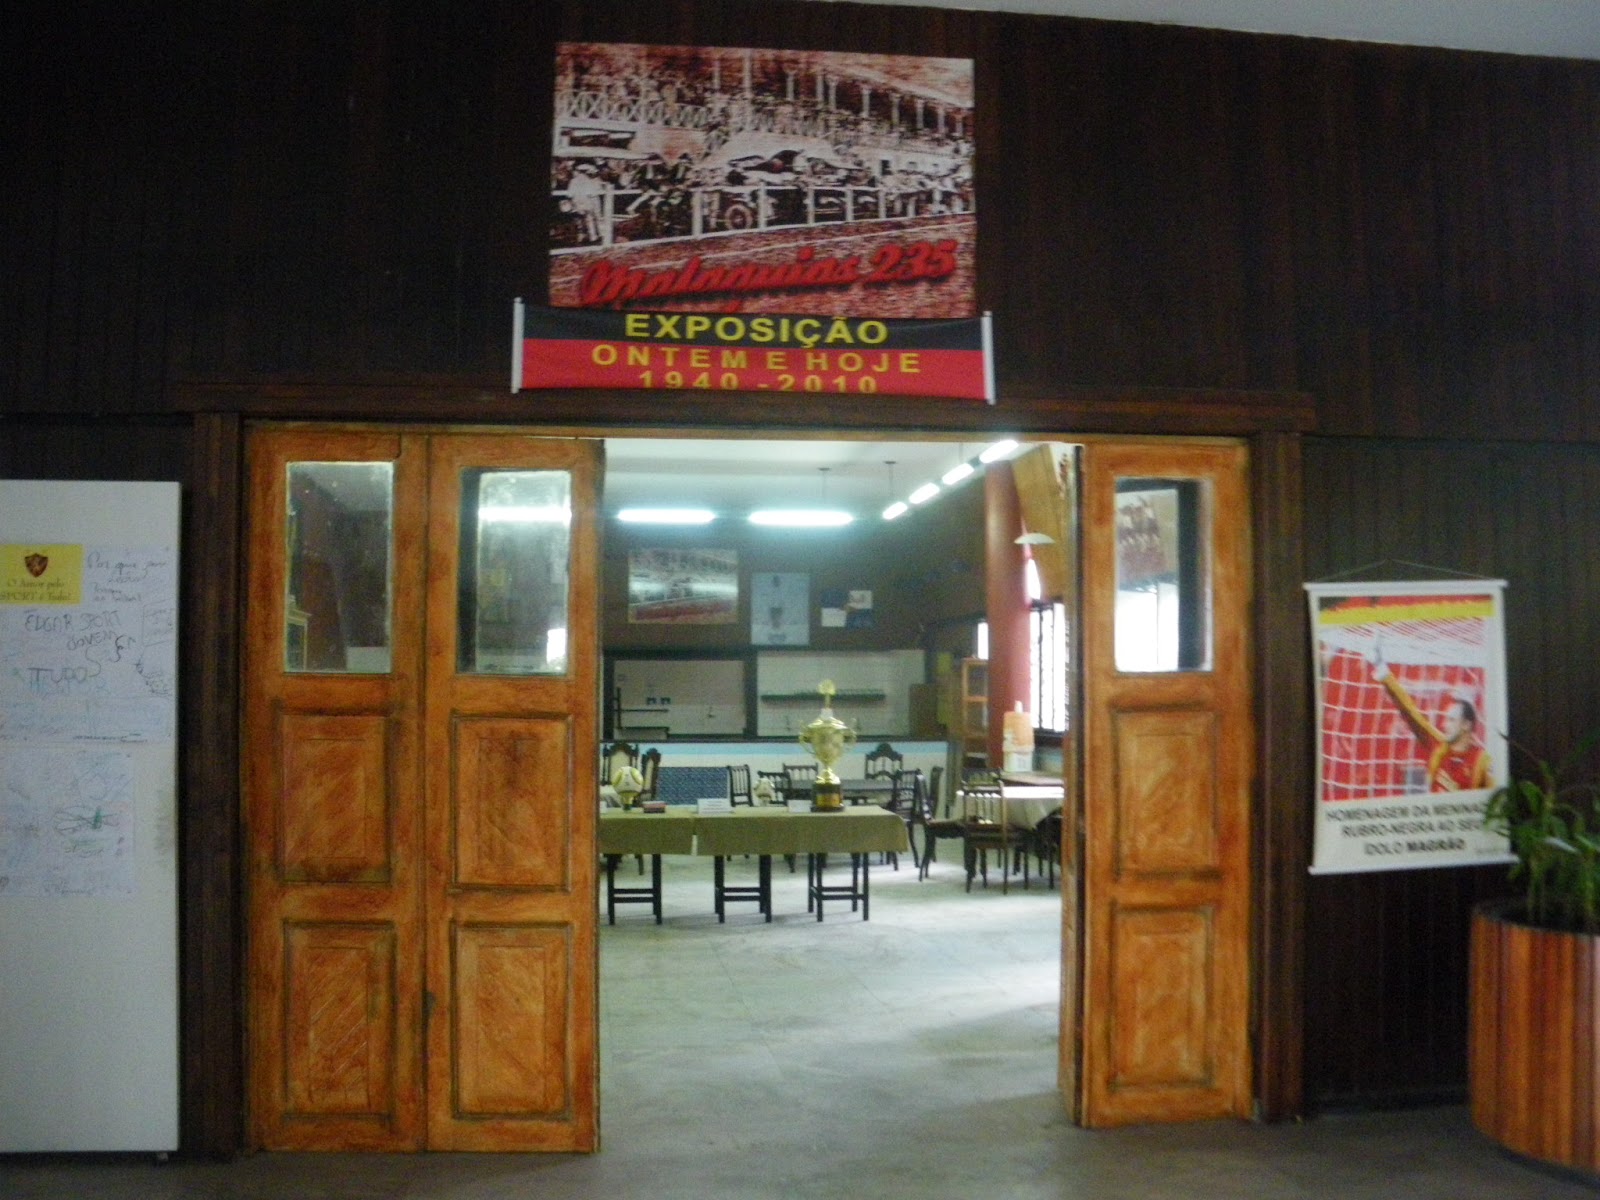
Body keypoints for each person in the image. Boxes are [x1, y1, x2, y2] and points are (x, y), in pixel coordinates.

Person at [1371, 645, 1492, 792]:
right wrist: (1383, 671)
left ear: (1466, 725)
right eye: (1446, 719)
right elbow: (1409, 712)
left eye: (1451, 720)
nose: (1444, 725)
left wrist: (1459, 796)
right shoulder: (1438, 745)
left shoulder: (1482, 761)